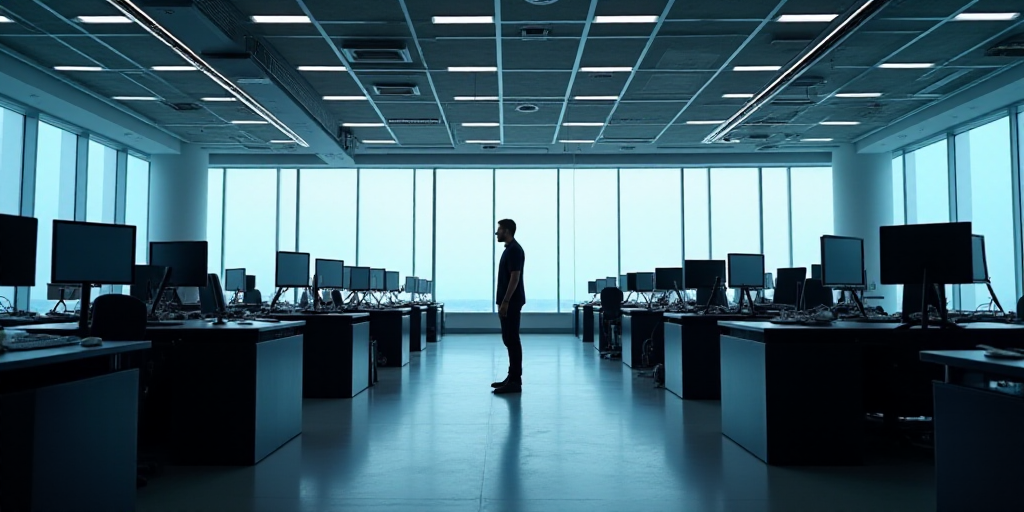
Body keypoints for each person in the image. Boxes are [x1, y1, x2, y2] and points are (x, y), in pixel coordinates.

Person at [492, 218, 525, 394]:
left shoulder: (514, 250)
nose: (496, 233)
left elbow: (515, 277)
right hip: (508, 301)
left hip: (511, 302)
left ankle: (515, 381)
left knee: (512, 340)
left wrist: (505, 301)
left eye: (499, 230)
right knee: (509, 339)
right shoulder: (510, 250)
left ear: (507, 231)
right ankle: (511, 377)